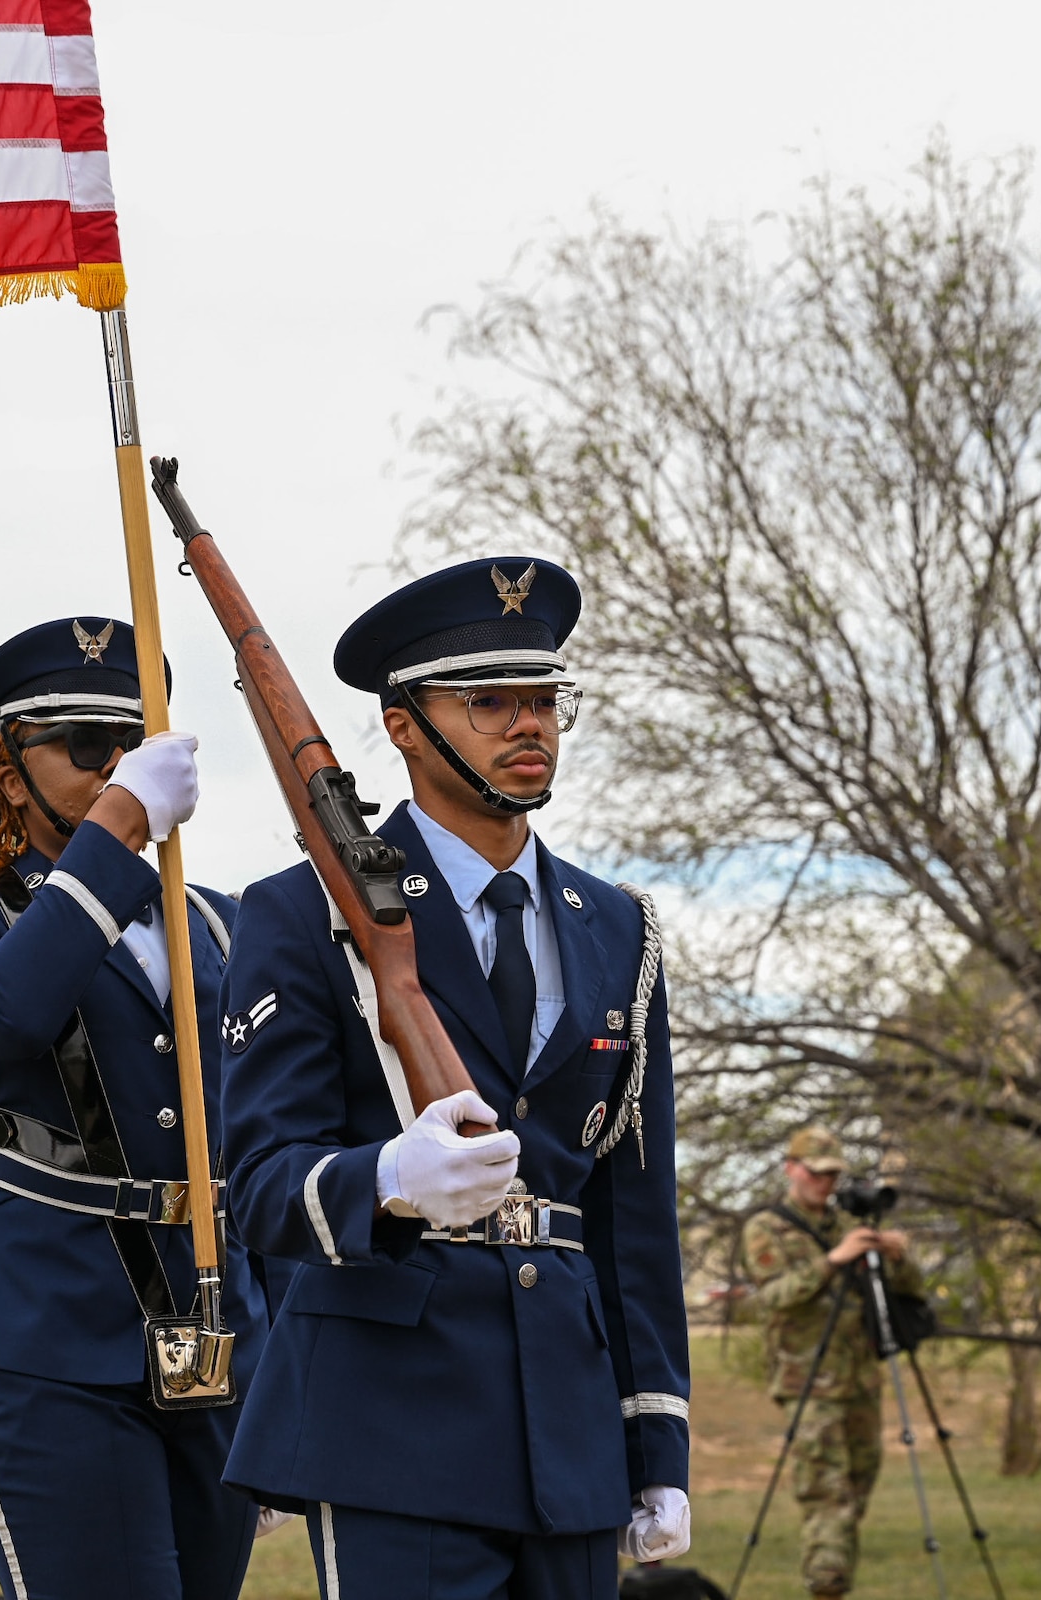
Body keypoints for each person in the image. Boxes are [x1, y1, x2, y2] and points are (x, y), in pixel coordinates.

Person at [216, 558, 692, 1599]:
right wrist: (383, 1177)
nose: (529, 726)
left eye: (543, 700)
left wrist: (654, 1436)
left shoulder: (616, 926)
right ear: (401, 725)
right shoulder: (303, 914)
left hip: (566, 1429)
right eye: (487, 703)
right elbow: (255, 1180)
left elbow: (631, 1216)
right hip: (393, 1419)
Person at [0, 615, 266, 1600]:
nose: (113, 768)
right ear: (9, 772)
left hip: (203, 1336)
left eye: (133, 747)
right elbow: (4, 1009)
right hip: (31, 1337)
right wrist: (118, 828)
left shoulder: (215, 922)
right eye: (87, 748)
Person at [740, 1126, 918, 1598]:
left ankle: (833, 1577)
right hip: (807, 1380)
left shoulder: (847, 1224)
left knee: (858, 1485)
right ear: (792, 1169)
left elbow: (908, 1294)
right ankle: (827, 1585)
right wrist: (835, 1260)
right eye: (817, 1173)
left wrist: (896, 1256)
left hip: (860, 1378)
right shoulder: (767, 1227)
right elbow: (774, 1296)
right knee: (827, 1493)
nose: (826, 1183)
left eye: (833, 1175)